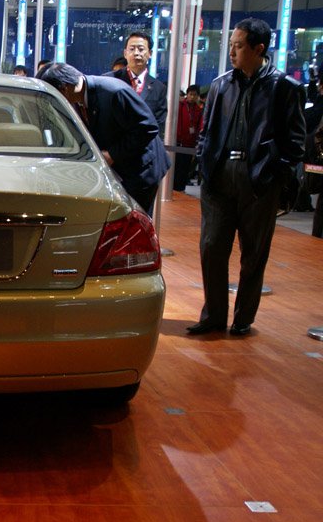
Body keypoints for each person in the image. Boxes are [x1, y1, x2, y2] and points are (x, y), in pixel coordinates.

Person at [187, 18, 306, 337]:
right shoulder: (220, 85)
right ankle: (213, 316)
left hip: (259, 182)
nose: (232, 52)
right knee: (212, 247)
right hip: (219, 178)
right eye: (231, 45)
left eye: (238, 46)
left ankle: (243, 319)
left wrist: (274, 174)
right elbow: (206, 132)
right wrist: (204, 163)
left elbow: (296, 142)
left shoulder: (285, 88)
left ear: (259, 49)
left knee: (254, 254)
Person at [37, 62, 170, 216]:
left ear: (64, 88)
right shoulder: (78, 98)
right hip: (119, 167)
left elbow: (148, 128)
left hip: (142, 167)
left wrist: (112, 154)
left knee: (135, 219)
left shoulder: (114, 92)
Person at [106, 31, 168, 137]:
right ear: (125, 53)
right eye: (132, 49)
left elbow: (158, 126)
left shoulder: (159, 88)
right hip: (113, 145)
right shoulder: (109, 80)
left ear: (150, 53)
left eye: (141, 49)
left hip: (145, 145)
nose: (136, 53)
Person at [174, 84, 204, 192]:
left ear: (198, 96)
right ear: (187, 94)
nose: (192, 97)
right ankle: (174, 188)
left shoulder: (198, 109)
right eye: (190, 94)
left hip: (190, 143)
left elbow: (200, 126)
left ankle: (181, 188)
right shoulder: (180, 105)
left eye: (195, 95)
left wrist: (198, 140)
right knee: (177, 166)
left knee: (185, 167)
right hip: (178, 142)